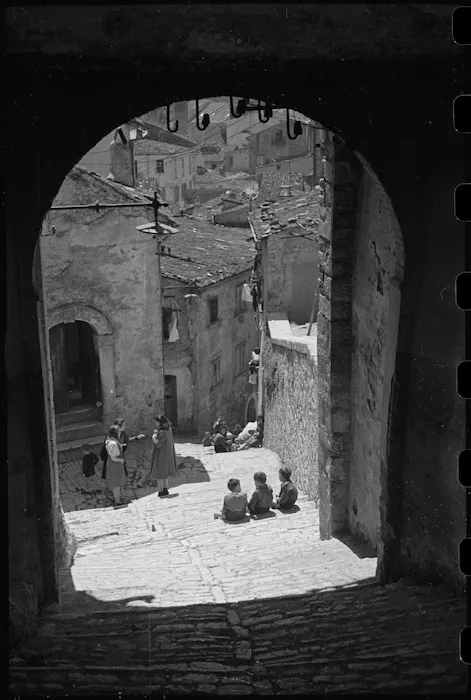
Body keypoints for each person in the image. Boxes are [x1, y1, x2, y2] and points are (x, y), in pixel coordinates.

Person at [149, 415, 178, 496]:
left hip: (161, 455)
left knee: (160, 474)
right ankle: (165, 489)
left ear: (160, 422)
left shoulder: (162, 432)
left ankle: (161, 491)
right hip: (167, 455)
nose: (155, 423)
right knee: (165, 474)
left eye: (156, 422)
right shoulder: (168, 430)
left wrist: (154, 437)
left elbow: (158, 444)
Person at [105, 425, 127, 505]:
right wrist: (121, 460)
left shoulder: (110, 441)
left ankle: (117, 498)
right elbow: (113, 457)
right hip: (115, 465)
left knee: (116, 483)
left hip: (114, 464)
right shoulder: (113, 444)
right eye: (119, 432)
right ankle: (117, 500)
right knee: (116, 484)